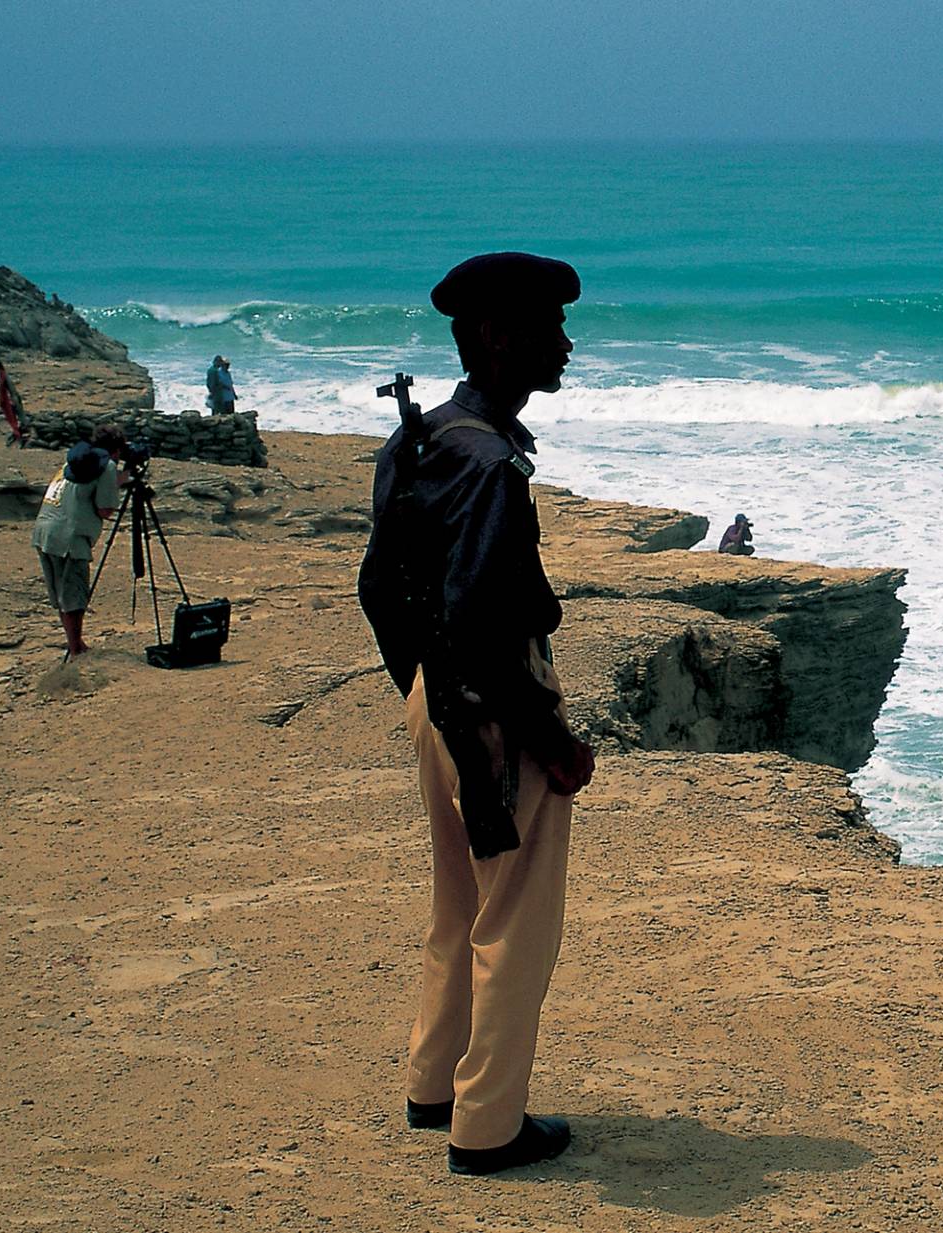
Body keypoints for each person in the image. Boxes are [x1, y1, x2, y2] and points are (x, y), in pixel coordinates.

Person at [357, 252, 594, 1177]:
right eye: (549, 329)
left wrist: (424, 694)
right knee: (516, 917)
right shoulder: (490, 462)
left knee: (458, 897)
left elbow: (381, 587)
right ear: (497, 338)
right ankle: (488, 1125)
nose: (567, 345)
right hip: (491, 705)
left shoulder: (426, 439)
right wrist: (551, 741)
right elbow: (491, 625)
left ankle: (433, 1082)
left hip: (438, 695)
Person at [31, 424, 127, 658]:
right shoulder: (106, 466)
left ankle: (75, 644)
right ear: (115, 450)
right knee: (74, 595)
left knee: (62, 596)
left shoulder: (75, 461)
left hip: (45, 530)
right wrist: (119, 480)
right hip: (70, 539)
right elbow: (105, 509)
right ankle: (76, 650)